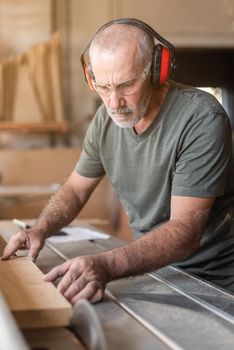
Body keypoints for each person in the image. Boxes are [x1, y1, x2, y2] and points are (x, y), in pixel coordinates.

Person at [2, 18, 234, 303]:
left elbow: (185, 230)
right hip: (154, 272)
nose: (114, 103)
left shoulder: (200, 118)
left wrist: (107, 264)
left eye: (126, 85)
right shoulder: (104, 122)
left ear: (155, 71)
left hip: (214, 280)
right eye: (103, 87)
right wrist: (40, 228)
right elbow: (75, 189)